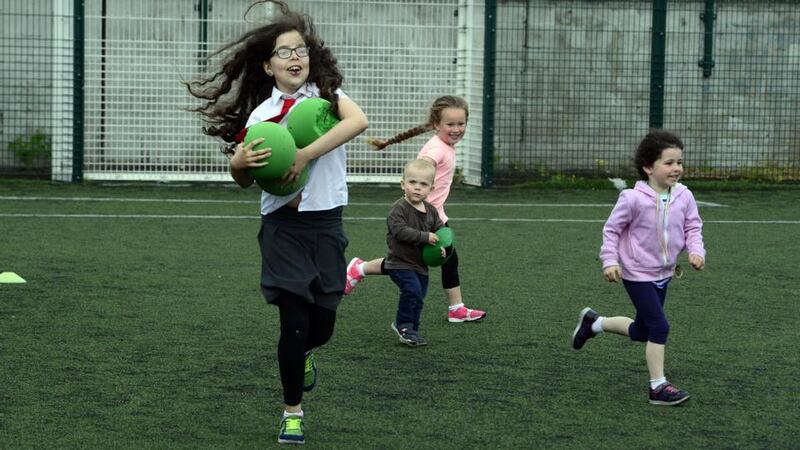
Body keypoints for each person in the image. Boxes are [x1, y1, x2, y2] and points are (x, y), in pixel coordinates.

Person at [186, 1, 368, 444]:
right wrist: (239, 163)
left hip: (326, 223)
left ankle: (306, 352)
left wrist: (306, 153)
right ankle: (292, 412)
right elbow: (246, 180)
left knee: (322, 325)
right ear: (268, 66)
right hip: (283, 229)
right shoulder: (260, 118)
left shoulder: (328, 99)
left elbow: (360, 122)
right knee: (293, 322)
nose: (294, 58)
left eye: (300, 50)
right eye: (284, 52)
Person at [571, 130, 706, 406]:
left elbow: (693, 226)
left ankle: (594, 324)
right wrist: (610, 261)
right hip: (637, 274)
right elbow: (612, 230)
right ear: (648, 167)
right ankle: (658, 386)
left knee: (642, 331)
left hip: (664, 273)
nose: (676, 168)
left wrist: (696, 251)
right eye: (668, 163)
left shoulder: (684, 196)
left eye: (679, 162)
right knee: (659, 327)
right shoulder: (632, 198)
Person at [344, 95, 486, 323]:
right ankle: (360, 269)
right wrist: (415, 207)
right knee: (407, 264)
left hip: (435, 217)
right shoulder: (436, 151)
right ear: (436, 124)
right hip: (420, 219)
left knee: (448, 259)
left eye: (461, 123)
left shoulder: (445, 146)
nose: (457, 129)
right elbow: (420, 173)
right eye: (450, 124)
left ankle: (456, 308)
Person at [384, 159, 446, 347]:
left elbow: (440, 231)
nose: (417, 188)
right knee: (411, 291)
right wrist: (425, 237)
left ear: (431, 189)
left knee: (419, 297)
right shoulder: (399, 209)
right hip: (400, 263)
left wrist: (441, 247)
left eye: (423, 184)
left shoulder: (431, 211)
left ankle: (413, 330)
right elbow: (400, 231)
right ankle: (402, 325)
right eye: (412, 183)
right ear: (403, 184)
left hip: (421, 265)